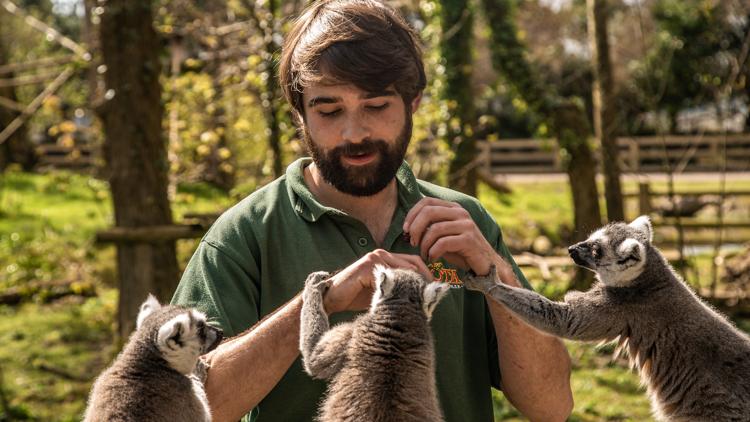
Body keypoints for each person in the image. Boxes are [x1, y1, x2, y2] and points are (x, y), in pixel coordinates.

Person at [171, 0, 573, 421]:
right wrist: (319, 304)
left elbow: (552, 406)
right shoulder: (244, 236)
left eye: (376, 106)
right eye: (328, 111)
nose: (354, 132)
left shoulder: (466, 223)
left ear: (413, 102)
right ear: (300, 114)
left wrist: (497, 278)